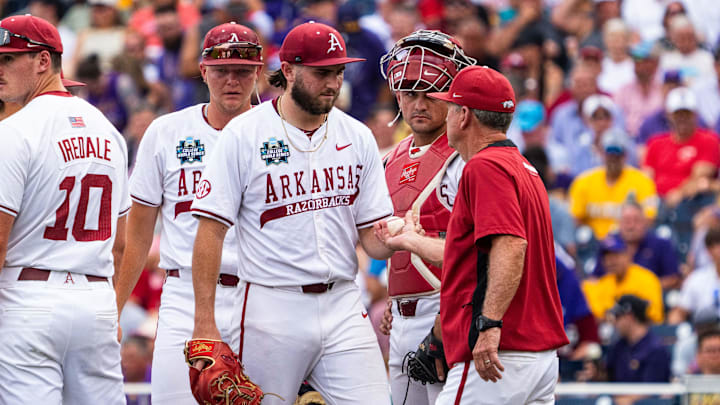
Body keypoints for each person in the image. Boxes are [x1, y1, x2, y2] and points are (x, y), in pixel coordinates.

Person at [189, 21, 394, 404]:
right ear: (288, 71)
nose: (333, 82)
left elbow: (372, 240)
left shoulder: (357, 134)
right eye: (321, 73)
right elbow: (210, 230)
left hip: (344, 301)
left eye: (338, 71)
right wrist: (205, 323)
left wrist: (399, 237)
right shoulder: (244, 133)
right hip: (271, 304)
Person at [114, 22, 263, 403]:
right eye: (221, 70)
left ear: (258, 71)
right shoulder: (166, 132)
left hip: (261, 293)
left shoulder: (279, 133)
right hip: (183, 294)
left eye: (243, 71)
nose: (232, 80)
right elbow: (138, 234)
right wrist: (114, 309)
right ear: (203, 71)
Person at [0, 15, 129, 403]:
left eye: (8, 59)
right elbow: (119, 244)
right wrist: (112, 309)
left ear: (43, 61)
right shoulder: (108, 129)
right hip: (96, 299)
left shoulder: (14, 131)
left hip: (29, 298)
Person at [428, 65, 569, 404]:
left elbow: (510, 243)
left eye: (449, 108)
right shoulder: (524, 167)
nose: (445, 117)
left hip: (500, 353)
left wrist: (489, 325)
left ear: (464, 116)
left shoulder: (484, 166)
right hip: (536, 355)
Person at [377, 29, 474, 405]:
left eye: (428, 92)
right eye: (408, 91)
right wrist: (394, 296)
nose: (417, 103)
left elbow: (477, 247)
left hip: (445, 310)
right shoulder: (390, 156)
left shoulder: (463, 155)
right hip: (401, 317)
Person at [568, 128, 657, 240]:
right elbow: (575, 219)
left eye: (617, 154)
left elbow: (649, 219)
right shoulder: (583, 181)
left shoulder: (642, 181)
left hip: (629, 242)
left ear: (625, 155)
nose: (613, 159)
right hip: (594, 244)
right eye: (609, 153)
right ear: (602, 153)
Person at [592, 202, 679, 289]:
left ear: (645, 222)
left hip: (649, 297)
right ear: (619, 223)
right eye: (626, 221)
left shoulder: (661, 244)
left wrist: (642, 288)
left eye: (636, 220)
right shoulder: (608, 246)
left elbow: (673, 279)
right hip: (610, 297)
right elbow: (595, 278)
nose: (631, 226)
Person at [582, 234, 664, 324]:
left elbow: (654, 319)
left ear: (627, 255)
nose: (611, 261)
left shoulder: (647, 279)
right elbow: (595, 318)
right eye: (606, 257)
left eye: (615, 256)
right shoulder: (601, 284)